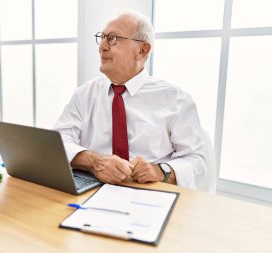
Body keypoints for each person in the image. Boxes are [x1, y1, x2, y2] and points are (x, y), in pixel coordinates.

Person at [53, 9, 206, 189]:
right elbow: (58, 141)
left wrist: (160, 171)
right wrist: (95, 161)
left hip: (151, 193)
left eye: (113, 38)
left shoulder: (176, 99)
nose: (102, 46)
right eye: (101, 38)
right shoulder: (84, 93)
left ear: (142, 50)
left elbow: (196, 161)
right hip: (92, 189)